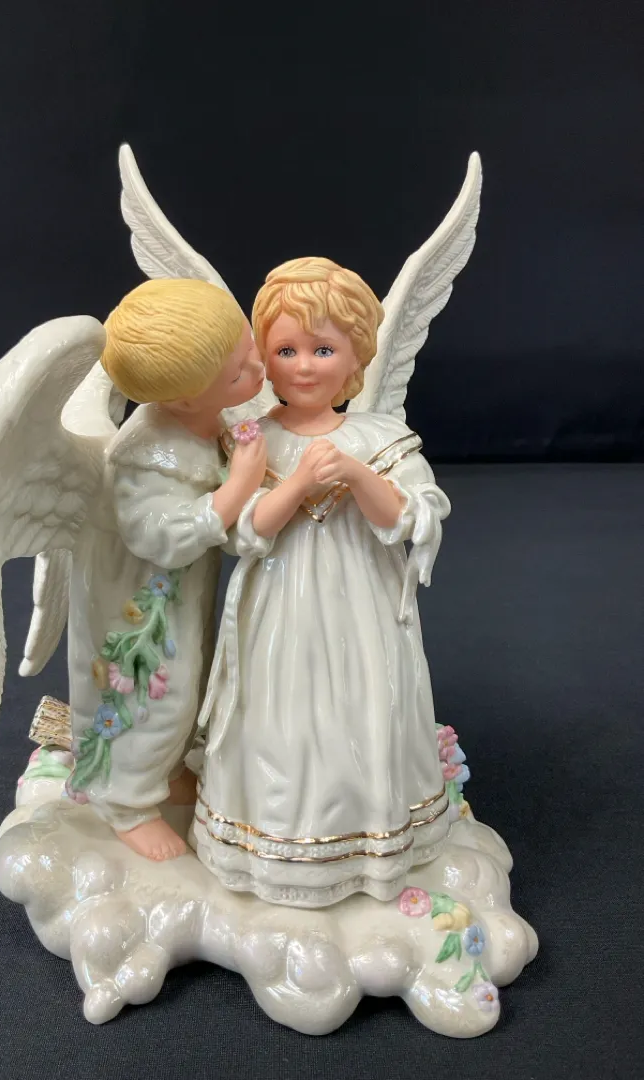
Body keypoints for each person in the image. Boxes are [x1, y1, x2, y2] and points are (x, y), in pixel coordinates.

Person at [192, 258, 452, 905]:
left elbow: (408, 521)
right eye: (286, 350)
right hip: (279, 604)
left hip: (359, 604)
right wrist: (302, 482)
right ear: (262, 355)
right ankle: (277, 840)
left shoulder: (382, 436)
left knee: (362, 704)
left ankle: (364, 837)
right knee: (280, 710)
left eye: (323, 349)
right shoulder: (249, 436)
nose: (304, 366)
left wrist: (359, 475)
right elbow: (243, 531)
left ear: (357, 355)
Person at [65, 277, 267, 861]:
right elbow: (160, 537)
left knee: (193, 684)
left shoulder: (198, 420)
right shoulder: (147, 454)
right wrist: (238, 487)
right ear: (183, 400)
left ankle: (165, 770)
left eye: (250, 349)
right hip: (137, 606)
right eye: (239, 373)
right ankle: (124, 801)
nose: (258, 369)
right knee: (156, 694)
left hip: (179, 595)